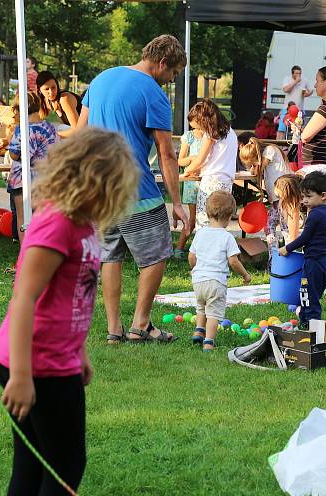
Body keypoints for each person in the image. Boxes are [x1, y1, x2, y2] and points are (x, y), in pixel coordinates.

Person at [0, 128, 138, 496]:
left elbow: (74, 294)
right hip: (36, 364)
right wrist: (21, 377)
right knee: (64, 467)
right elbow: (24, 299)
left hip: (58, 360)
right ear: (94, 179)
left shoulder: (83, 223)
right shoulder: (55, 224)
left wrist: (81, 351)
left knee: (37, 462)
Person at [77, 34, 188, 344]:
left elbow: (79, 133)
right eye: (173, 74)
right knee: (156, 255)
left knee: (110, 257)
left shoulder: (101, 79)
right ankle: (141, 325)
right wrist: (176, 202)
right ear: (163, 63)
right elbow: (166, 154)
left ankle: (114, 330)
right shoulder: (154, 93)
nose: (171, 80)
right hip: (136, 188)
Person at [188, 190, 251, 352]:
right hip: (216, 282)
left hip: (198, 280)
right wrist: (245, 274)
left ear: (208, 212)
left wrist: (194, 269)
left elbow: (191, 256)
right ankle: (208, 342)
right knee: (214, 313)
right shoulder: (227, 237)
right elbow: (233, 261)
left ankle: (198, 332)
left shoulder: (200, 233)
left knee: (201, 307)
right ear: (229, 216)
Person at [278, 171, 326, 328]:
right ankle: (308, 323)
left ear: (323, 195)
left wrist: (287, 248)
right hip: (325, 262)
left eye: (308, 197)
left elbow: (305, 238)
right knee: (312, 296)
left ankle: (310, 329)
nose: (304, 201)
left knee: (308, 297)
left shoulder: (316, 214)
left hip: (314, 263)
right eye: (303, 197)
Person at [7, 91, 58, 243]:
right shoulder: (50, 128)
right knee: (43, 219)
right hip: (45, 179)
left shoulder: (22, 129)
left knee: (23, 219)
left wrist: (10, 139)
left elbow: (14, 155)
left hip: (21, 180)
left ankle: (26, 258)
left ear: (19, 109)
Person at [180, 99, 238, 228]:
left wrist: (187, 170)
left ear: (204, 121)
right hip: (226, 183)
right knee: (221, 223)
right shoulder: (231, 133)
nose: (199, 130)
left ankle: (203, 248)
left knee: (204, 222)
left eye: (199, 127)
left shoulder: (210, 134)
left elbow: (200, 159)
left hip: (210, 183)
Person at [239, 137, 291, 243]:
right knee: (273, 226)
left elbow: (256, 171)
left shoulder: (270, 150)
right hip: (277, 198)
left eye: (252, 163)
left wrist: (254, 166)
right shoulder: (265, 154)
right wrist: (253, 164)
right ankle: (276, 253)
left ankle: (287, 250)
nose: (251, 166)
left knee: (282, 226)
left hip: (282, 196)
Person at [174, 110, 205, 258]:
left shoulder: (209, 136)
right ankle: (179, 249)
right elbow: (180, 161)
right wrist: (193, 159)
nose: (192, 125)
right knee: (193, 219)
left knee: (206, 217)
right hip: (192, 183)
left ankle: (200, 250)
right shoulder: (189, 137)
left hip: (206, 180)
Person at [36, 71, 82, 137]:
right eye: (46, 89)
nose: (51, 92)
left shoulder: (64, 99)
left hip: (93, 131)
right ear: (39, 90)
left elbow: (78, 130)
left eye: (53, 87)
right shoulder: (46, 102)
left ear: (57, 85)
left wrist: (53, 135)